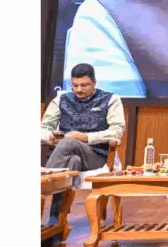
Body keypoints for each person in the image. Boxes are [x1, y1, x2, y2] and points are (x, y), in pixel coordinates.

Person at [40, 63, 125, 224]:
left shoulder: (111, 100)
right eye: (75, 85)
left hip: (96, 155)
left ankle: (43, 186)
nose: (79, 90)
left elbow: (117, 131)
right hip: (66, 155)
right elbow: (42, 128)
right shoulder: (61, 100)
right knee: (73, 161)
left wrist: (85, 137)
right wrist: (49, 136)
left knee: (68, 143)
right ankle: (55, 222)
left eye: (84, 85)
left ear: (94, 82)